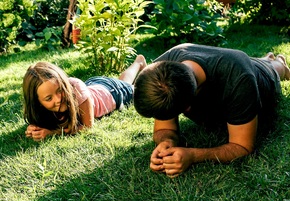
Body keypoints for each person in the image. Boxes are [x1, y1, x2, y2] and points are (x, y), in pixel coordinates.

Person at [133, 43, 290, 177]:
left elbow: (243, 146)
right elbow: (165, 127)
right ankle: (266, 58)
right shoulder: (162, 74)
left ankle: (278, 61)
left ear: (188, 108)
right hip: (232, 62)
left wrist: (193, 156)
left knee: (273, 69)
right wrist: (166, 142)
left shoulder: (238, 80)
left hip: (260, 76)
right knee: (254, 62)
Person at [23, 55, 146, 141]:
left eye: (60, 90)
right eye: (49, 98)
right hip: (94, 85)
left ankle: (141, 65)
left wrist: (53, 133)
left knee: (139, 89)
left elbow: (87, 127)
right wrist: (34, 128)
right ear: (37, 102)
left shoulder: (77, 92)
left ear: (64, 84)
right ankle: (138, 62)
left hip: (113, 93)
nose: (58, 99)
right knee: (124, 82)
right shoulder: (41, 106)